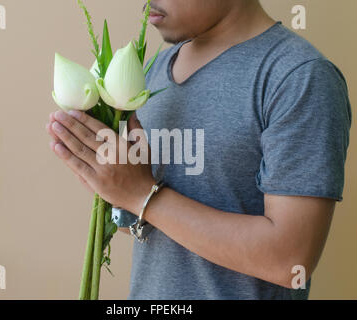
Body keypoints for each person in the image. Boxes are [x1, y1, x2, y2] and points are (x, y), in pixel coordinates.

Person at [46, 0, 352, 299]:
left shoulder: (298, 76)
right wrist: (112, 184)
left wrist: (142, 195)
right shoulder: (150, 74)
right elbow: (151, 227)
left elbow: (289, 259)